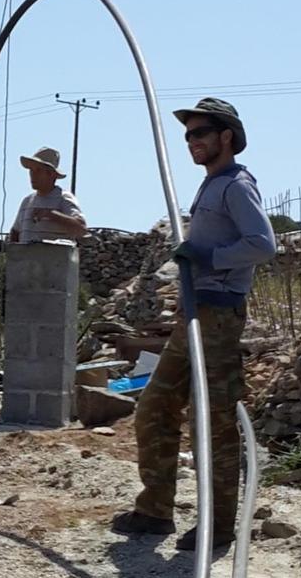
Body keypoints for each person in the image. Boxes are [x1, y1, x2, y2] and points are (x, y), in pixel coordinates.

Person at [113, 98, 276, 553]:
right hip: (197, 315)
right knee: (156, 409)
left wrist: (209, 258)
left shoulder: (235, 186)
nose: (193, 142)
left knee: (215, 422)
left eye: (201, 133)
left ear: (226, 137)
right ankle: (155, 510)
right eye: (188, 135)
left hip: (219, 316)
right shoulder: (212, 186)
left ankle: (219, 526)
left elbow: (263, 245)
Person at [9, 147, 86, 244]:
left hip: (54, 258)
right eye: (31, 170)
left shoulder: (63, 198)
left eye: (38, 170)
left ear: (51, 174)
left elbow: (81, 228)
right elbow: (15, 232)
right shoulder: (27, 201)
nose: (33, 175)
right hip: (26, 258)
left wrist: (51, 214)